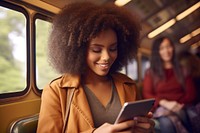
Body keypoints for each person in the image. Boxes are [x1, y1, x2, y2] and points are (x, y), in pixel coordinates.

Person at [37, 2, 155, 133]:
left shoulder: (129, 85)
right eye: (96, 49)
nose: (106, 57)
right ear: (79, 50)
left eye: (113, 48)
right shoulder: (56, 91)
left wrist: (146, 130)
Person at [142, 37, 197, 133]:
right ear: (157, 52)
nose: (166, 51)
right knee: (166, 123)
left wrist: (177, 104)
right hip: (160, 109)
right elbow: (147, 93)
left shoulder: (182, 70)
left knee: (186, 117)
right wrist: (163, 102)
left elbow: (191, 94)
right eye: (162, 48)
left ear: (173, 48)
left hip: (181, 107)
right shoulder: (151, 72)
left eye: (168, 47)